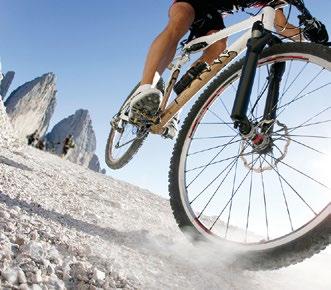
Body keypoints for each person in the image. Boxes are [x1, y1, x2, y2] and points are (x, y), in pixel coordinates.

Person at [128, 0, 327, 137]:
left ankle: (174, 108)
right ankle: (145, 89)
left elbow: (281, 24)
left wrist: (313, 43)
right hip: (192, 2)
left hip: (212, 15)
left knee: (218, 47)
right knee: (180, 19)